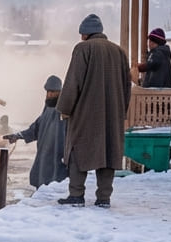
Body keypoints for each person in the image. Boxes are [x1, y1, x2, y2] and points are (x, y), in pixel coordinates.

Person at [55, 13, 132, 208]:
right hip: (112, 112)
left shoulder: (82, 49)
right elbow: (127, 85)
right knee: (108, 152)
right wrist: (121, 110)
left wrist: (65, 108)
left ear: (85, 33)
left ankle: (76, 194)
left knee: (76, 149)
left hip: (85, 112)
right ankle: (104, 198)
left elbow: (73, 81)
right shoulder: (119, 52)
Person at [3, 75, 69, 188]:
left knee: (56, 186)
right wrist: (18, 135)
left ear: (60, 92)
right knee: (42, 184)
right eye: (48, 92)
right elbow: (36, 128)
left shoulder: (65, 109)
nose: (49, 94)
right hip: (44, 156)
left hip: (59, 158)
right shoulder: (47, 108)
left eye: (53, 92)